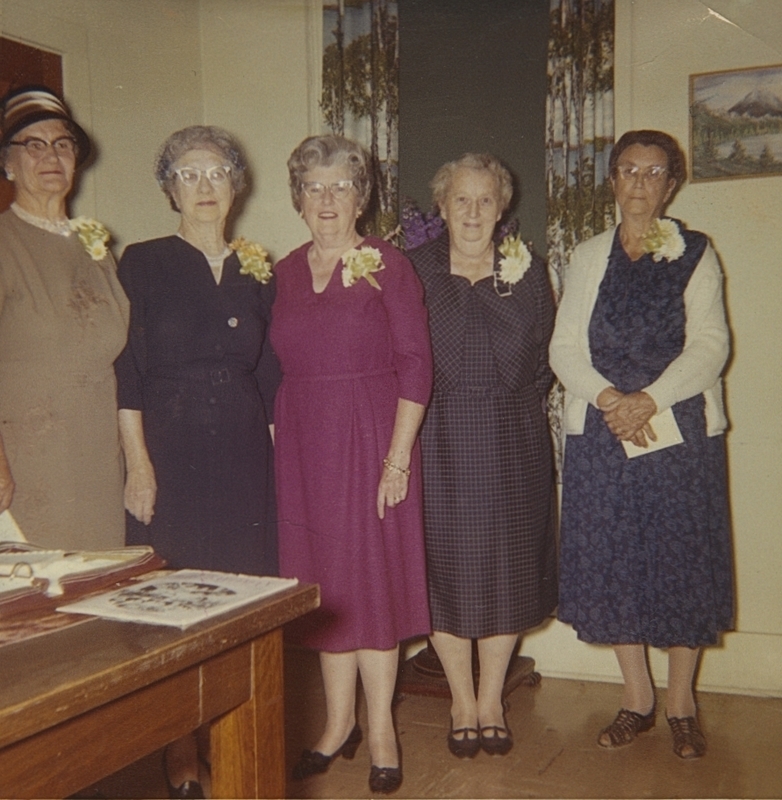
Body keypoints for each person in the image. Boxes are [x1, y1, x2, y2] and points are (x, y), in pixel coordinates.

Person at [550, 129, 733, 760]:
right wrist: (609, 401)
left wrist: (649, 400)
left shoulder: (696, 252)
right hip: (603, 432)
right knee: (616, 563)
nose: (638, 184)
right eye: (627, 171)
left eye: (652, 173)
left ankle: (681, 703)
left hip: (676, 432)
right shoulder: (587, 254)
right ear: (611, 180)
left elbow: (711, 345)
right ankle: (637, 700)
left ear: (671, 185)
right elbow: (564, 346)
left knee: (680, 563)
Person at [114, 125, 280, 797]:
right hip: (172, 445)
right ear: (168, 189)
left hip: (242, 446)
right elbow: (127, 370)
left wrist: (274, 458)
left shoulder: (256, 264)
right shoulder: (143, 260)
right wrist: (138, 464)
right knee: (171, 598)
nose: (205, 186)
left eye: (217, 173)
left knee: (240, 594)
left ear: (236, 185)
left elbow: (269, 374)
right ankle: (178, 744)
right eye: (189, 174)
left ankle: (230, 730)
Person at [272, 134, 432, 795]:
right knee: (328, 583)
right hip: (306, 443)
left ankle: (382, 727)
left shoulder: (387, 264)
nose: (328, 198)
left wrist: (397, 460)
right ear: (298, 199)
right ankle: (337, 724)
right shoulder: (279, 271)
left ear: (363, 196)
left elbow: (417, 364)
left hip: (371, 440)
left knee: (372, 583)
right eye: (315, 187)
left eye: (341, 186)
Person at [407, 153, 557, 759]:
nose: (472, 212)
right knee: (443, 568)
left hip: (512, 435)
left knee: (508, 569)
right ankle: (460, 701)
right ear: (440, 207)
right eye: (460, 200)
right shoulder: (411, 271)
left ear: (503, 208)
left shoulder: (530, 270)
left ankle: (492, 698)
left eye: (485, 200)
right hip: (434, 433)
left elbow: (548, 360)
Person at [0, 85, 128, 548]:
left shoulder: (95, 247)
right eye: (32, 144)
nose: (50, 155)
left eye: (62, 143)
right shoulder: (5, 241)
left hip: (96, 459)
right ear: (7, 162)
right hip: (27, 464)